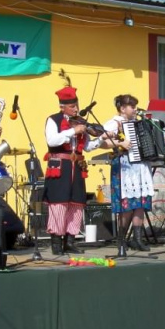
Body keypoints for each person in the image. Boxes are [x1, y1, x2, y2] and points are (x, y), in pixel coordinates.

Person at [42, 86, 114, 255]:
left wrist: (101, 138)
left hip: (78, 166)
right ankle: (56, 243)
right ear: (62, 107)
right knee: (59, 203)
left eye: (76, 105)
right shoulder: (52, 120)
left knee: (76, 203)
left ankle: (70, 240)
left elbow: (87, 147)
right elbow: (52, 140)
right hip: (60, 165)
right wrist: (72, 131)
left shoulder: (81, 122)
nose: (76, 109)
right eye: (72, 106)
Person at [103, 94, 155, 252]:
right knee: (127, 205)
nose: (135, 109)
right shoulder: (113, 123)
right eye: (132, 106)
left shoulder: (139, 123)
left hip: (140, 166)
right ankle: (121, 240)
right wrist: (120, 143)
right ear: (122, 108)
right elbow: (101, 142)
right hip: (124, 166)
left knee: (140, 202)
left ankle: (137, 239)